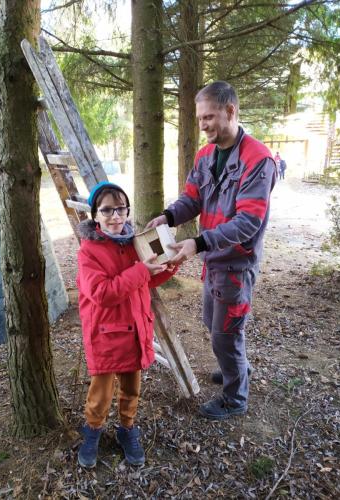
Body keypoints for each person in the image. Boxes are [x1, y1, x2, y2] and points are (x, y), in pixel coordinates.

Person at [147, 81, 276, 420]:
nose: (202, 125)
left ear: (230, 111)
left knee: (226, 333)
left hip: (236, 263)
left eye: (209, 117)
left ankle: (235, 398)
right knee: (212, 322)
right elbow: (193, 197)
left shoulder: (258, 159)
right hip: (213, 260)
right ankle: (238, 367)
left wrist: (198, 242)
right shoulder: (206, 155)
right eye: (199, 118)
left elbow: (248, 222)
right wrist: (169, 215)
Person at [77, 181, 176, 468]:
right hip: (106, 333)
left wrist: (170, 265)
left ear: (128, 211)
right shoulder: (89, 252)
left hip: (135, 329)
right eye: (107, 210)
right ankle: (93, 431)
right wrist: (141, 270)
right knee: (101, 393)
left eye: (121, 208)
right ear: (95, 215)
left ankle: (126, 429)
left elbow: (146, 278)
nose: (115, 216)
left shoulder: (135, 243)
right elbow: (102, 294)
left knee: (132, 388)